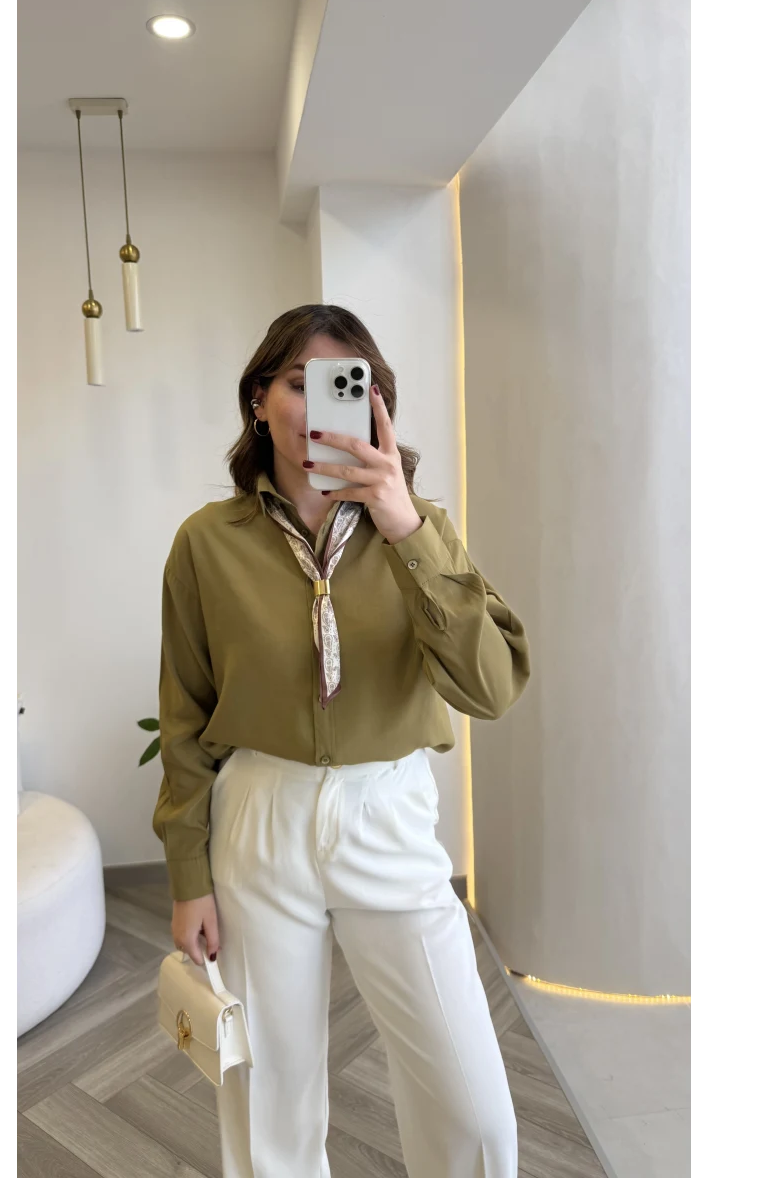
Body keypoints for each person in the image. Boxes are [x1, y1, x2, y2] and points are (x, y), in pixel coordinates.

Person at [152, 303, 531, 1177]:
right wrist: (188, 876)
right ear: (259, 401)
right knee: (270, 1104)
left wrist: (404, 525)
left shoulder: (417, 528)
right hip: (259, 816)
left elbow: (492, 685)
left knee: (474, 1109)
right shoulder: (206, 544)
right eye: (298, 382)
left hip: (386, 811)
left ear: (374, 404)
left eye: (345, 384)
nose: (318, 405)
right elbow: (185, 716)